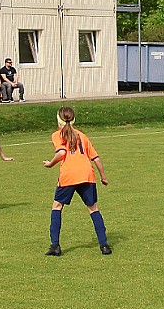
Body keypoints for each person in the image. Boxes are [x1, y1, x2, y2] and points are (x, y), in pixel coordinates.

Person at [43, 106, 112, 256]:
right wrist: (103, 177)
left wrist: (50, 163)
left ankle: (55, 246)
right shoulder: (82, 135)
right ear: (73, 120)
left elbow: (61, 152)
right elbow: (96, 158)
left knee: (57, 206)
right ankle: (104, 245)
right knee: (93, 208)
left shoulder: (57, 135)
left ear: (58, 119)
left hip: (69, 175)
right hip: (87, 174)